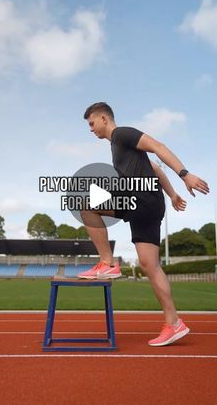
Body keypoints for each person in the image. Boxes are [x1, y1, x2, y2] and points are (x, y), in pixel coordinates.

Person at [77, 102, 209, 346]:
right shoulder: (119, 147)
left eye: (91, 123)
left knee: (85, 203)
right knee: (150, 264)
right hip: (150, 205)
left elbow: (158, 147)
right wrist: (172, 195)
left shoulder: (122, 134)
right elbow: (155, 167)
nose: (91, 129)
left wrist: (185, 174)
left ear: (104, 119)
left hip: (140, 198)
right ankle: (174, 323)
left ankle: (107, 263)